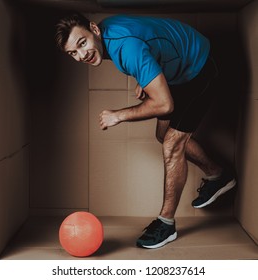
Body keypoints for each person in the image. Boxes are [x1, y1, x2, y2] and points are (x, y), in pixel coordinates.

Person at [55, 13, 236, 249]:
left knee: (172, 143)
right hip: (177, 69)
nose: (82, 55)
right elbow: (149, 38)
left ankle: (166, 223)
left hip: (200, 67)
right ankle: (218, 175)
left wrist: (118, 115)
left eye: (82, 43)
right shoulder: (108, 33)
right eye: (73, 53)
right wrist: (148, 73)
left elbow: (164, 104)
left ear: (93, 29)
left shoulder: (126, 49)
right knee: (162, 135)